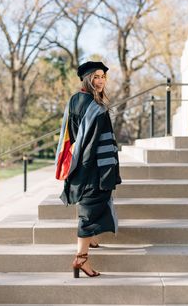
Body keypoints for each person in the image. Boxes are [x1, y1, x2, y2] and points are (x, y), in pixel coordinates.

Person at [55, 61, 122, 278]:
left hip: (79, 164)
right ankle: (80, 258)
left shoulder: (74, 100)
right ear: (87, 79)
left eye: (103, 76)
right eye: (96, 77)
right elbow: (98, 145)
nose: (100, 81)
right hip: (93, 167)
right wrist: (108, 171)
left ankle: (91, 239)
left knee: (89, 205)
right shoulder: (96, 107)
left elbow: (72, 135)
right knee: (90, 209)